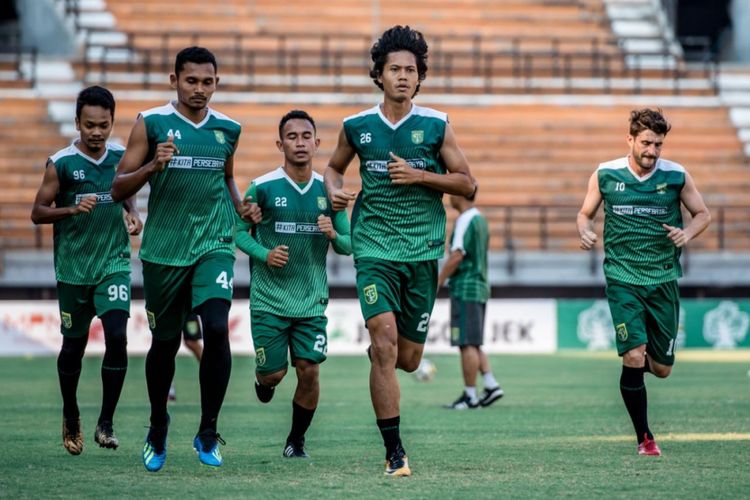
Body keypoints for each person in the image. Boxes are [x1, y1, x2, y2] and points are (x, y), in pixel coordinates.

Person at [324, 25, 476, 476]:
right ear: (379, 75)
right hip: (373, 250)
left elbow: (468, 183)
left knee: (407, 359)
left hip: (422, 253)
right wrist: (335, 192)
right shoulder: (357, 126)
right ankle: (395, 453)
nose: (404, 76)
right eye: (395, 69)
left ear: (419, 76)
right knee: (385, 345)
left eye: (411, 70)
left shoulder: (436, 124)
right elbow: (332, 169)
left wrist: (422, 176)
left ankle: (384, 359)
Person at [111, 46, 259, 471]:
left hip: (213, 243)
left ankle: (208, 431)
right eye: (191, 80)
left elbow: (227, 177)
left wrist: (240, 207)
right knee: (165, 342)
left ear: (217, 82)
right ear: (174, 80)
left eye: (207, 81)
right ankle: (158, 425)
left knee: (216, 327)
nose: (199, 89)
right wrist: (151, 168)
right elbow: (119, 187)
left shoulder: (228, 128)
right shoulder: (152, 123)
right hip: (163, 250)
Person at [577, 108, 710, 456]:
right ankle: (645, 438)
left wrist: (687, 233)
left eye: (658, 145)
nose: (652, 151)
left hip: (663, 278)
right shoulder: (606, 174)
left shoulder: (676, 176)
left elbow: (703, 214)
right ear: (631, 140)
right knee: (634, 357)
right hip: (622, 278)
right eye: (647, 143)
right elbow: (584, 213)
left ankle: (637, 359)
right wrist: (584, 230)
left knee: (662, 369)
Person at [30, 85, 143, 455]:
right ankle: (71, 411)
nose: (97, 132)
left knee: (118, 337)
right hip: (73, 269)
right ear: (77, 122)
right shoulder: (60, 163)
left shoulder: (121, 157)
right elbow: (37, 212)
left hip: (113, 265)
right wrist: (70, 210)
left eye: (104, 125)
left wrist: (132, 214)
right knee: (73, 348)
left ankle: (106, 422)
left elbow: (126, 192)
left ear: (112, 123)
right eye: (90, 125)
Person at [235, 110, 351, 458]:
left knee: (310, 371)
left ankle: (296, 440)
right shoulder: (263, 187)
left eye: (306, 137)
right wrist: (265, 254)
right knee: (275, 374)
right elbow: (238, 232)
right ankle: (262, 379)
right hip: (269, 300)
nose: (299, 143)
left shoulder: (329, 191)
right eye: (292, 137)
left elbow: (349, 244)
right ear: (280, 143)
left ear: (317, 143)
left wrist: (334, 234)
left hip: (311, 300)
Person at [437, 195, 503, 410]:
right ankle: (491, 385)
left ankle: (470, 395)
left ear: (460, 194)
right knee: (473, 342)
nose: (448, 195)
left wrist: (437, 282)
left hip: (465, 287)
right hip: (480, 285)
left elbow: (457, 256)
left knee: (466, 343)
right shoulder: (480, 219)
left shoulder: (465, 219)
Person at [168, 313, 204, 401]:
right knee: (166, 344)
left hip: (187, 305)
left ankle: (213, 377)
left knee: (192, 341)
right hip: (166, 304)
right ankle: (168, 388)